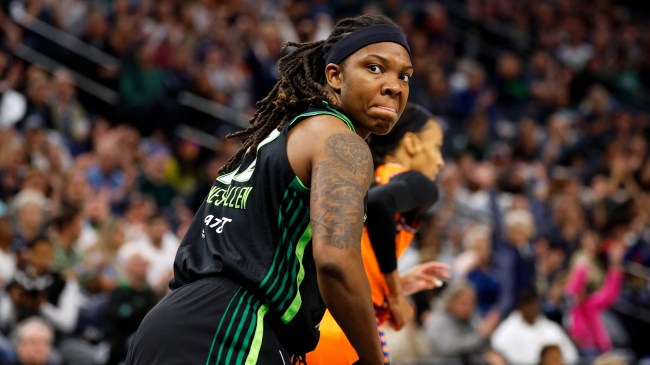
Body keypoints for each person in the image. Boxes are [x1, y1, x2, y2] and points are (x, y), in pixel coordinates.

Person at [126, 14, 413, 365]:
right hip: (234, 327)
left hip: (170, 322)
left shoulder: (276, 138)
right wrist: (374, 359)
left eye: (404, 76)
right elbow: (336, 262)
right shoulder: (341, 142)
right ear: (334, 75)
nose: (394, 86)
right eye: (374, 68)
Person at [306, 103, 450, 365]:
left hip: (311, 320)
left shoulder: (353, 178)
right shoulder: (419, 184)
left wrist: (392, 284)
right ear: (412, 144)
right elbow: (380, 205)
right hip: (349, 329)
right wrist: (395, 293)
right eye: (437, 146)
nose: (440, 161)